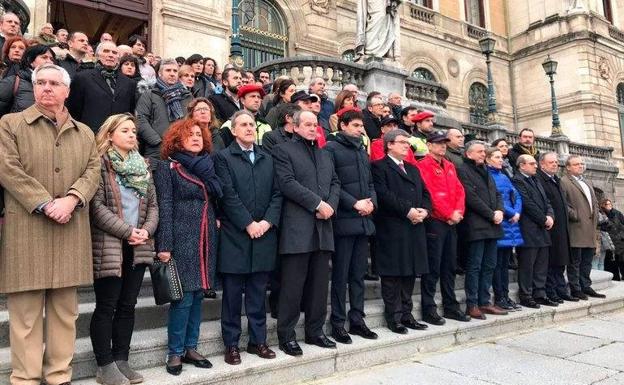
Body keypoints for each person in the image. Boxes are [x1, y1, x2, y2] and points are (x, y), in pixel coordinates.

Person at [0, 63, 100, 385]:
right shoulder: (10, 124)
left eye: (54, 83)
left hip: (70, 229)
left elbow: (92, 172)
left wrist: (71, 199)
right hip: (27, 230)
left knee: (65, 315)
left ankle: (59, 376)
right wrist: (45, 203)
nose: (46, 88)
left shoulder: (84, 132)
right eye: (40, 82)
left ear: (66, 91)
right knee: (25, 317)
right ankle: (25, 379)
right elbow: (8, 169)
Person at [90, 113, 158, 385]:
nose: (132, 135)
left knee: (128, 305)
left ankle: (121, 360)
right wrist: (127, 231)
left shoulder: (143, 165)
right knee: (107, 306)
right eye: (125, 130)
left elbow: (153, 205)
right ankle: (104, 365)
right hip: (110, 245)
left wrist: (146, 231)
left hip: (138, 245)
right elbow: (96, 208)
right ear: (109, 135)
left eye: (134, 131)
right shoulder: (99, 165)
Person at [154, 118, 221, 375]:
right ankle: (174, 352)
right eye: (189, 134)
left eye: (199, 134)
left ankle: (191, 347)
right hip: (181, 236)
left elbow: (215, 199)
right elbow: (166, 205)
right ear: (176, 140)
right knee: (182, 298)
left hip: (205, 237)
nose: (195, 138)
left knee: (197, 297)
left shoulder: (207, 167)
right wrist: (165, 244)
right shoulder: (168, 167)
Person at [214, 110, 282, 365]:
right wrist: (248, 224)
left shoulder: (268, 157)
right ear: (233, 130)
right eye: (242, 125)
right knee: (232, 295)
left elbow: (278, 194)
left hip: (264, 234)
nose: (249, 128)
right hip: (236, 235)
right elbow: (227, 195)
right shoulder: (223, 158)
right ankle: (231, 344)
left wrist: (265, 222)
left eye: (252, 124)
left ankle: (258, 341)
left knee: (257, 293)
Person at [273, 110, 340, 356]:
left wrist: (330, 206)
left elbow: (335, 182)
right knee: (293, 286)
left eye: (315, 125)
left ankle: (315, 331)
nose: (313, 128)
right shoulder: (283, 150)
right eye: (308, 124)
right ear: (296, 126)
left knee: (319, 285)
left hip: (323, 227)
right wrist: (317, 204)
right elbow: (287, 183)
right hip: (297, 228)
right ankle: (287, 336)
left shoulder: (325, 154)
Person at [324, 109, 378, 344]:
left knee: (357, 275)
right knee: (340, 275)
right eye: (356, 125)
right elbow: (331, 184)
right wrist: (354, 203)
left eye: (361, 126)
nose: (360, 130)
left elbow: (370, 184)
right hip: (344, 222)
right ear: (343, 126)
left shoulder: (361, 151)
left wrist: (371, 203)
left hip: (363, 221)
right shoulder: (330, 149)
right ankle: (337, 322)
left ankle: (357, 319)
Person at [372, 129, 431, 334]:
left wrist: (425, 210)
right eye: (402, 142)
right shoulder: (379, 167)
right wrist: (407, 211)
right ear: (389, 144)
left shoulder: (413, 169)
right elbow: (383, 194)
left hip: (414, 227)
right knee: (392, 275)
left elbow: (424, 192)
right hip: (393, 227)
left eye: (408, 143)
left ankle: (407, 314)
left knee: (409, 274)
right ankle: (394, 317)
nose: (407, 146)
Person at [416, 131, 471, 325]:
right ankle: (428, 308)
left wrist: (458, 212)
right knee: (433, 267)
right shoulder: (423, 165)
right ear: (429, 145)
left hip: (451, 221)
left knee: (449, 266)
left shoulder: (449, 165)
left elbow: (459, 191)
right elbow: (430, 194)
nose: (442, 146)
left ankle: (450, 306)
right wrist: (449, 214)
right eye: (438, 143)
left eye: (444, 143)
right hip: (436, 221)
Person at [457, 140, 505, 320]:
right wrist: (491, 214)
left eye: (484, 152)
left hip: (492, 224)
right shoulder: (463, 170)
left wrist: (499, 210)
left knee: (489, 265)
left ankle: (485, 301)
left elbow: (497, 193)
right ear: (468, 154)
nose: (483, 154)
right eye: (479, 152)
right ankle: (472, 304)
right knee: (475, 266)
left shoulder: (485, 170)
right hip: (476, 224)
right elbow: (471, 197)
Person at [512, 154, 557, 308]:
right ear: (522, 165)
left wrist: (550, 215)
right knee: (527, 264)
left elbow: (547, 202)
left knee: (541, 265)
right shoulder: (518, 180)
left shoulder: (535, 179)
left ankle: (540, 293)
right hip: (529, 229)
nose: (535, 166)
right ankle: (526, 295)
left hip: (542, 229)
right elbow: (527, 204)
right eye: (531, 163)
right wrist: (543, 219)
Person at [560, 155, 606, 299]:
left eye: (582, 164)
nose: (580, 166)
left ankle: (586, 285)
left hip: (590, 229)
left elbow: (595, 203)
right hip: (576, 228)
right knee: (575, 262)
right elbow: (563, 204)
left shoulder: (586, 181)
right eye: (576, 164)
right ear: (568, 167)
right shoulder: (564, 181)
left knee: (587, 260)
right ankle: (575, 288)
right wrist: (575, 215)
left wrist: (597, 215)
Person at [67, 42, 137, 133]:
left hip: (118, 137)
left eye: (114, 53)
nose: (110, 55)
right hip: (90, 135)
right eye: (106, 51)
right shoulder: (82, 78)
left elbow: (129, 113)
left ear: (118, 59)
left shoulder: (129, 83)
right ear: (97, 55)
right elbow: (74, 110)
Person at [536, 152, 577, 303]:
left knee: (561, 261)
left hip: (562, 227)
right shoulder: (540, 179)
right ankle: (551, 291)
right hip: (550, 227)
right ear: (542, 164)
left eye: (556, 162)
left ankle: (561, 290)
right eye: (551, 162)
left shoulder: (556, 179)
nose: (555, 164)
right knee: (552, 262)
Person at [486, 147, 523, 311]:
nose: (501, 160)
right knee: (497, 265)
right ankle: (499, 297)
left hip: (511, 224)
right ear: (487, 159)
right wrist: (512, 212)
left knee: (505, 265)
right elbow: (496, 199)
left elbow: (517, 195)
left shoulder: (504, 176)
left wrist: (517, 211)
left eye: (501, 157)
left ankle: (506, 296)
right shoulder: (487, 176)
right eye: (496, 157)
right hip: (500, 222)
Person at [136, 58, 192, 165]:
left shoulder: (187, 96)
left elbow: (192, 121)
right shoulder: (149, 94)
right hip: (157, 150)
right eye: (168, 70)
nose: (172, 74)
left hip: (182, 148)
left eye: (175, 71)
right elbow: (141, 119)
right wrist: (157, 141)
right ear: (160, 73)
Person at [0, 44, 55, 116]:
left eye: (51, 59)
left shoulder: (56, 85)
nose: (49, 62)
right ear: (30, 60)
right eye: (44, 57)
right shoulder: (12, 82)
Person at [602, 199, 624, 280]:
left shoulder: (617, 213)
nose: (609, 205)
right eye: (607, 204)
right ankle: (615, 278)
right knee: (611, 262)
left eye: (610, 204)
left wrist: (621, 236)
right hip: (610, 242)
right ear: (603, 205)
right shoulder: (603, 215)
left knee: (622, 261)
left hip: (620, 241)